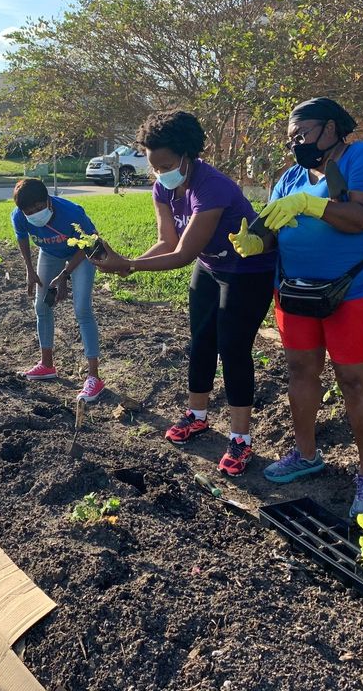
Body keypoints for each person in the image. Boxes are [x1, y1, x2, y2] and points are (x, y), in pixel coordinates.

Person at [229, 97, 363, 517]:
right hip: (295, 290)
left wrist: (311, 204)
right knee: (300, 370)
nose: (296, 143)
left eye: (303, 133)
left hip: (354, 287)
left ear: (333, 128)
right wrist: (255, 242)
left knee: (353, 378)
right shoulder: (289, 178)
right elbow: (270, 230)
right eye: (291, 138)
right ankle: (306, 455)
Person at [94, 110, 276, 476]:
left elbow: (182, 255)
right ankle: (197, 415)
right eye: (154, 166)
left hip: (247, 271)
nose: (160, 174)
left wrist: (127, 264)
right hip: (210, 268)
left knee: (234, 349)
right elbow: (167, 241)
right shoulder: (162, 187)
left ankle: (241, 439)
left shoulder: (214, 188)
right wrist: (128, 262)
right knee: (201, 342)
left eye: (166, 164)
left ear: (187, 155)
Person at [12, 178, 104, 402]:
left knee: (82, 308)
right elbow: (22, 238)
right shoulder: (19, 216)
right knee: (41, 306)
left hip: (82, 255)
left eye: (38, 207)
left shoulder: (71, 212)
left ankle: (94, 377)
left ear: (48, 201)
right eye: (29, 210)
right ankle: (47, 364)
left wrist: (64, 276)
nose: (35, 213)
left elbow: (90, 243)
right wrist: (29, 270)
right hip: (50, 254)